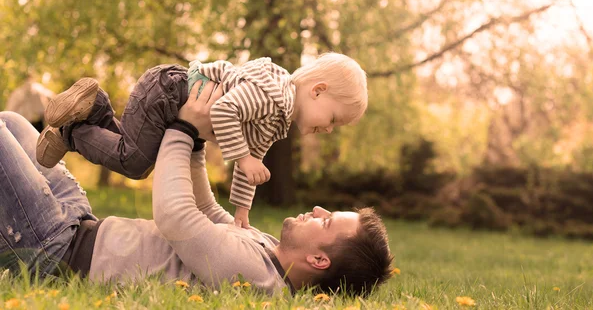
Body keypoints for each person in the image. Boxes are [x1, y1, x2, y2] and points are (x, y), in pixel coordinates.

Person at [0, 81, 393, 296]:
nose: (320, 211)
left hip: (55, 251)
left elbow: (176, 217)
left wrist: (182, 129)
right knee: (14, 122)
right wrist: (200, 139)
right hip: (79, 222)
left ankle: (87, 120)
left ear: (320, 262)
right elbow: (206, 210)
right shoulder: (267, 249)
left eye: (327, 224)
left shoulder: (255, 276)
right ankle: (83, 124)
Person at [36, 53, 368, 228]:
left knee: (129, 145)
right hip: (171, 94)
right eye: (334, 120)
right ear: (318, 91)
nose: (329, 130)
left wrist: (241, 211)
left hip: (168, 92)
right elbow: (224, 111)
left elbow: (248, 162)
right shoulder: (271, 96)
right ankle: (71, 133)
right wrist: (245, 158)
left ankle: (94, 107)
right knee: (134, 162)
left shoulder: (278, 115)